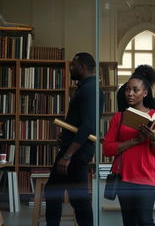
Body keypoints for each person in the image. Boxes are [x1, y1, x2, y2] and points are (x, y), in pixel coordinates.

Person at [45, 52, 104, 226]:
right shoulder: (85, 87)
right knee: (58, 192)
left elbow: (88, 125)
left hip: (77, 153)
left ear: (83, 67)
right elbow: (80, 121)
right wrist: (67, 134)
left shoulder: (91, 89)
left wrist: (68, 155)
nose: (70, 68)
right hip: (74, 149)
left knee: (78, 198)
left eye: (73, 65)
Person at [103, 65, 155, 226]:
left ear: (145, 93)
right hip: (124, 176)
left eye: (135, 90)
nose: (130, 93)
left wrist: (153, 139)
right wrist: (134, 141)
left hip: (147, 176)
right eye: (127, 89)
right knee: (129, 222)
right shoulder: (119, 117)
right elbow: (107, 149)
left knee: (145, 220)